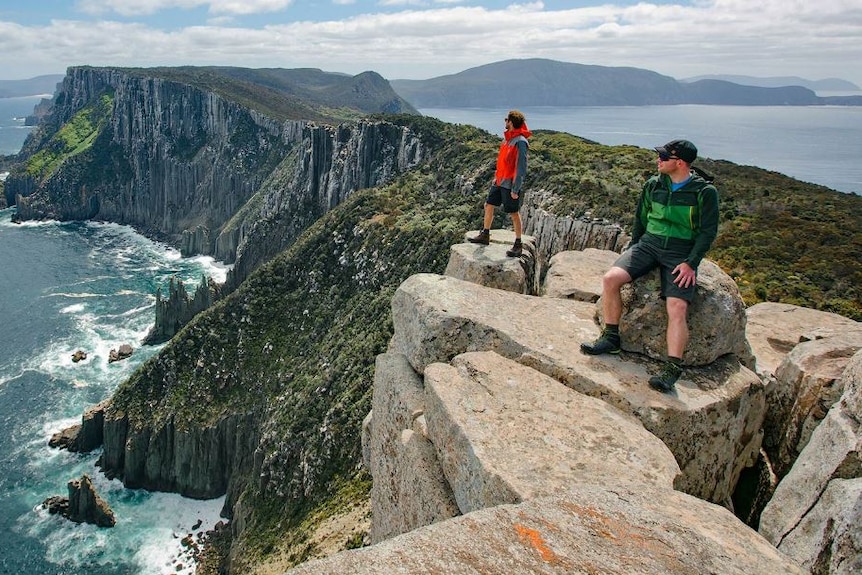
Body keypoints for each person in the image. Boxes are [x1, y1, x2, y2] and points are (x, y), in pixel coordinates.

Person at [580, 139, 719, 393]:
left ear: (679, 163)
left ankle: (672, 367)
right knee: (611, 279)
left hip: (681, 250)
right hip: (649, 244)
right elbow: (640, 218)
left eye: (663, 156)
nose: (658, 160)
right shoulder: (653, 185)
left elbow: (707, 232)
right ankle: (611, 337)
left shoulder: (703, 193)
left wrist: (691, 263)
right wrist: (635, 247)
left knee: (676, 306)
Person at [468, 110, 532, 257]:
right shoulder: (507, 140)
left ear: (511, 122)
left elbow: (521, 167)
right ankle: (485, 234)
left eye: (506, 120)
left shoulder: (521, 142)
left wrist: (516, 188)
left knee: (514, 213)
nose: (505, 122)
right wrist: (496, 177)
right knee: (488, 205)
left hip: (510, 184)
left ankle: (518, 244)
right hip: (499, 181)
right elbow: (502, 162)